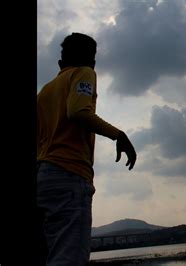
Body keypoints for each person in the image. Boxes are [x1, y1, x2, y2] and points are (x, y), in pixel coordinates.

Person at [36, 32, 137, 266]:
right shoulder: (84, 73)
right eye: (93, 57)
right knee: (70, 258)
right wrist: (119, 135)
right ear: (89, 58)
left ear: (61, 60)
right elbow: (79, 111)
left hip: (43, 179)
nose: (94, 63)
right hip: (69, 175)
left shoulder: (45, 91)